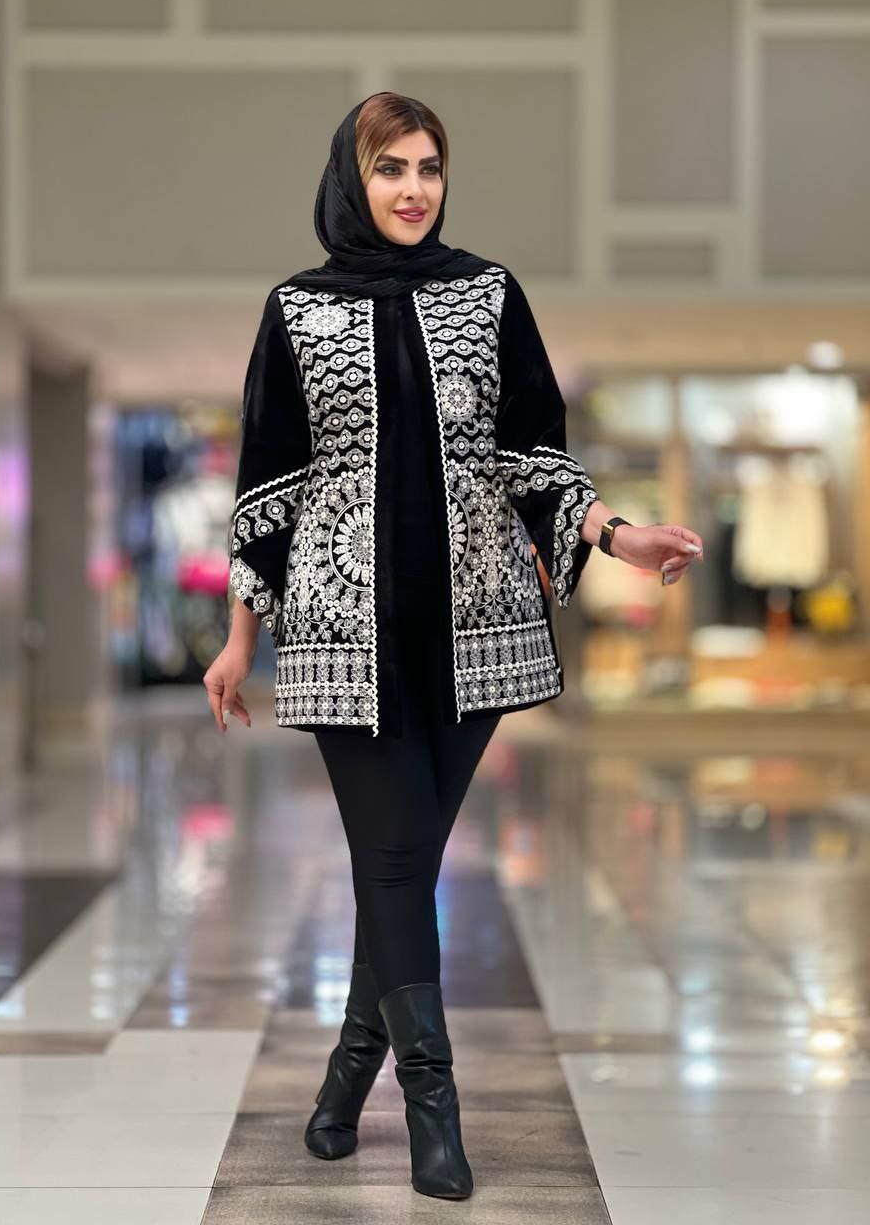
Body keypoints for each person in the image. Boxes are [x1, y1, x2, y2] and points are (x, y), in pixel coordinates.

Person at [204, 92, 704, 1200]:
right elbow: (266, 484)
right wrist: (239, 637)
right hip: (344, 631)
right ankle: (434, 1104)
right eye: (391, 167)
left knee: (406, 861)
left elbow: (533, 452)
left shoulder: (488, 294)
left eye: (429, 167)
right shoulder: (297, 310)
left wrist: (617, 534)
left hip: (475, 629)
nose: (413, 188)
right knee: (391, 860)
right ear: (354, 177)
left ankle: (348, 1073)